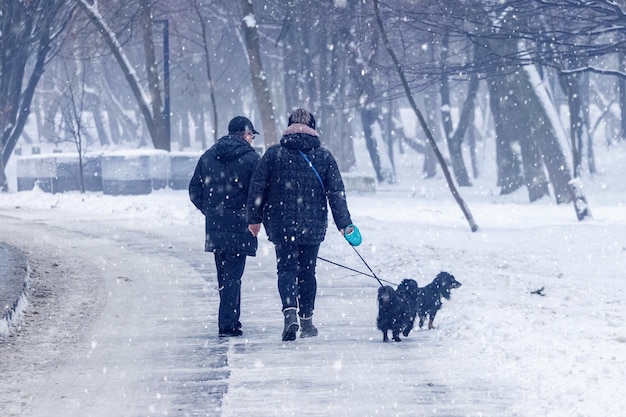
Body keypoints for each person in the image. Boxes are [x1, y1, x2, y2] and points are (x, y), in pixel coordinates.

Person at [247, 108, 355, 341]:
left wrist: (254, 219)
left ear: (289, 126)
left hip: (281, 224)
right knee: (307, 272)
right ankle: (307, 321)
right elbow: (336, 193)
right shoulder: (324, 156)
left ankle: (290, 314)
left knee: (286, 270)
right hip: (312, 225)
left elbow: (258, 188)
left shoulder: (273, 154)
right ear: (313, 128)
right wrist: (344, 224)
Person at [189, 116, 261, 337]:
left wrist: (210, 210)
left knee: (224, 275)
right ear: (244, 135)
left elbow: (194, 190)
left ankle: (230, 319)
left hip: (216, 225)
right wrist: (253, 216)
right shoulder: (251, 160)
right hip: (240, 225)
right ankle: (228, 323)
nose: (252, 139)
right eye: (251, 135)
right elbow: (258, 193)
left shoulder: (209, 155)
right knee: (233, 275)